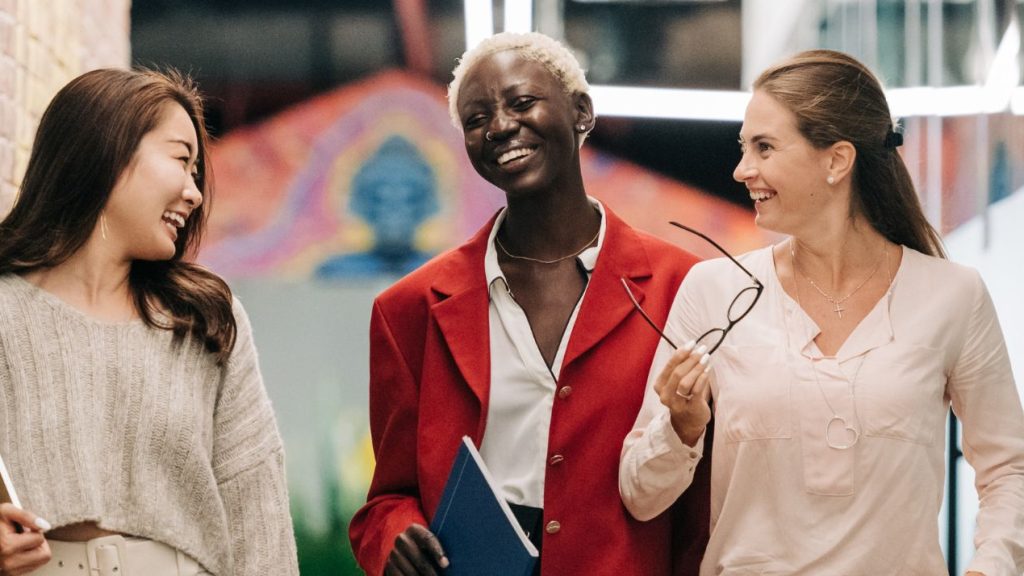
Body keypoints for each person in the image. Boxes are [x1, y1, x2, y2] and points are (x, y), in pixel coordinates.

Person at [619, 49, 1024, 575]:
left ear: (837, 160)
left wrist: (989, 568)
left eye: (764, 148)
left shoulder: (953, 294)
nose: (742, 170)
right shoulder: (713, 290)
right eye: (744, 148)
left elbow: (1010, 468)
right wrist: (681, 427)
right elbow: (639, 494)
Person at [349, 32, 710, 576]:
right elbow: (388, 499)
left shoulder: (680, 285)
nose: (498, 127)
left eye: (521, 103)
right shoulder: (410, 309)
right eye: (476, 119)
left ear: (581, 111)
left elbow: (700, 500)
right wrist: (395, 536)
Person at [0, 68, 299, 576]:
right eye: (182, 161)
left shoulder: (206, 319)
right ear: (107, 152)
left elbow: (258, 517)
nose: (195, 193)